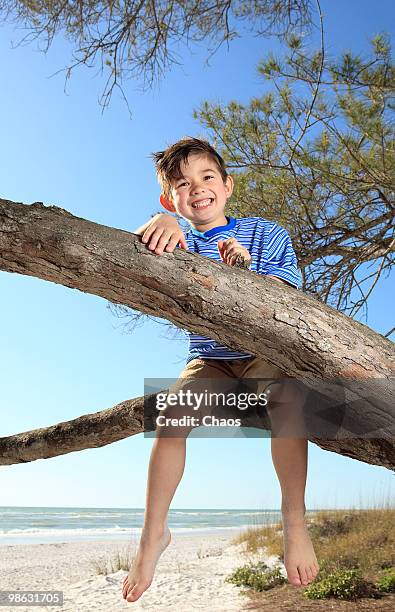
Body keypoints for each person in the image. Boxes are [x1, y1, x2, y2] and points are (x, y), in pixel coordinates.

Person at [122, 137, 319, 603]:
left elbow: (284, 296)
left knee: (288, 400)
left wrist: (244, 271)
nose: (198, 189)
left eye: (208, 178)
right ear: (170, 198)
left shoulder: (265, 233)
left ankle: (294, 523)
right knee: (169, 416)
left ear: (227, 185)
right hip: (211, 360)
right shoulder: (177, 236)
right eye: (182, 186)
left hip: (264, 351)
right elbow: (134, 253)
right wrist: (160, 221)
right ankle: (153, 535)